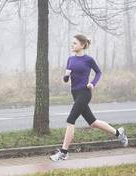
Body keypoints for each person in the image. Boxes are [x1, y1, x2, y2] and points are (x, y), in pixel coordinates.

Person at [50, 34, 128, 162]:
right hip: (75, 93)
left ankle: (63, 152)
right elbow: (66, 79)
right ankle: (119, 134)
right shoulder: (70, 59)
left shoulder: (88, 60)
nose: (72, 45)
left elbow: (98, 72)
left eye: (75, 43)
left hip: (85, 93)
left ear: (82, 45)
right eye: (72, 43)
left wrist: (92, 83)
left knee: (70, 120)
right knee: (93, 122)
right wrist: (66, 76)